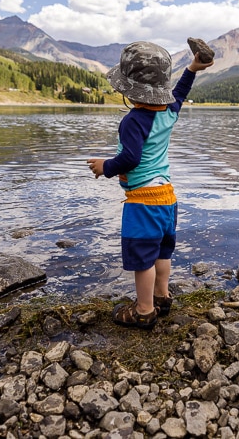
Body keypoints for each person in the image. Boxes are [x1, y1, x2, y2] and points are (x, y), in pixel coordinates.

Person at [87, 41, 213, 329]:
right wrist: (192, 68)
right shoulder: (169, 112)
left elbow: (130, 158)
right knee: (161, 251)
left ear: (127, 90)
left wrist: (104, 167)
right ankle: (162, 296)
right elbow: (180, 93)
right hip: (168, 198)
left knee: (143, 258)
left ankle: (144, 311)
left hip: (143, 201)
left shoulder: (133, 121)